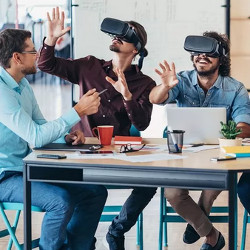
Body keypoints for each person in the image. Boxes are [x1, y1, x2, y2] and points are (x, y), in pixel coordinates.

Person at [37, 7, 157, 250]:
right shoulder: (89, 66)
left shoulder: (145, 83)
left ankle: (117, 229)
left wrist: (127, 97)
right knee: (89, 191)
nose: (116, 38)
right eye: (114, 34)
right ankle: (83, 241)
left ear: (135, 50)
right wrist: (51, 40)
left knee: (150, 182)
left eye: (123, 36)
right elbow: (45, 64)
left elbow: (142, 124)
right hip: (83, 152)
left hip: (118, 156)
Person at [0, 28, 107, 250]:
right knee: (60, 201)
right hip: (4, 176)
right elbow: (34, 136)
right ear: (17, 58)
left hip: (25, 168)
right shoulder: (2, 92)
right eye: (32, 51)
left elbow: (39, 125)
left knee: (95, 191)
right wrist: (77, 112)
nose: (37, 55)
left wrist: (65, 135)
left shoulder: (22, 84)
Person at [149, 31, 250, 249]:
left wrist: (231, 135)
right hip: (184, 157)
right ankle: (211, 235)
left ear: (221, 58)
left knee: (216, 184)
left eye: (208, 52)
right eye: (197, 52)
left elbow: (244, 126)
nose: (201, 56)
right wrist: (166, 85)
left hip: (219, 159)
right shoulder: (182, 81)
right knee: (173, 193)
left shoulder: (236, 89)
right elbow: (155, 99)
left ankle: (199, 220)